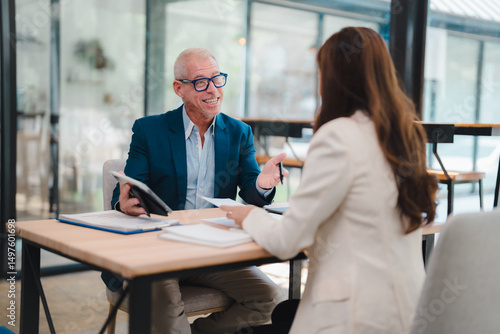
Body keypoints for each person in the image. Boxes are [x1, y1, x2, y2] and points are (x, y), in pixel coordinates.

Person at [221, 27, 438, 334]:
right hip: (407, 310)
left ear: (334, 78)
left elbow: (286, 241)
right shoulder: (403, 135)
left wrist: (250, 216)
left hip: (354, 317)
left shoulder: (338, 136)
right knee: (283, 311)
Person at [102, 47, 287, 333]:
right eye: (201, 82)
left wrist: (262, 184)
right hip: (159, 251)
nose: (213, 90)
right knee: (170, 318)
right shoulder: (150, 130)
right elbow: (127, 189)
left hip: (211, 251)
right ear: (180, 88)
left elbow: (251, 194)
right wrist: (122, 203)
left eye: (217, 79)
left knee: (273, 299)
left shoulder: (239, 133)